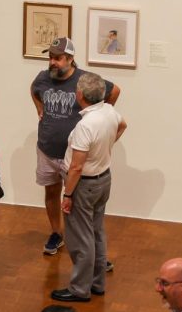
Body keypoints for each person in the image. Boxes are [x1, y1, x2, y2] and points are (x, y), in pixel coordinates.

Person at [30, 37, 119, 256]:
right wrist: (39, 109)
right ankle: (56, 233)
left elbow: (115, 90)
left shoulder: (85, 80)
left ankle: (91, 253)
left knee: (78, 205)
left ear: (70, 59)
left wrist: (99, 114)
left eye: (58, 58)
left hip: (74, 156)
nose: (53, 62)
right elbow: (34, 90)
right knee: (51, 193)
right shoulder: (42, 78)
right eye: (50, 57)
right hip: (47, 150)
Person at [52, 72, 127, 303]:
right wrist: (104, 147)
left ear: (80, 95)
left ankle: (79, 289)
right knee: (96, 232)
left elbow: (76, 167)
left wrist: (68, 194)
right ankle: (97, 284)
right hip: (104, 180)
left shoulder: (86, 125)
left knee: (80, 239)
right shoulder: (109, 112)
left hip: (84, 185)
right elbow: (123, 125)